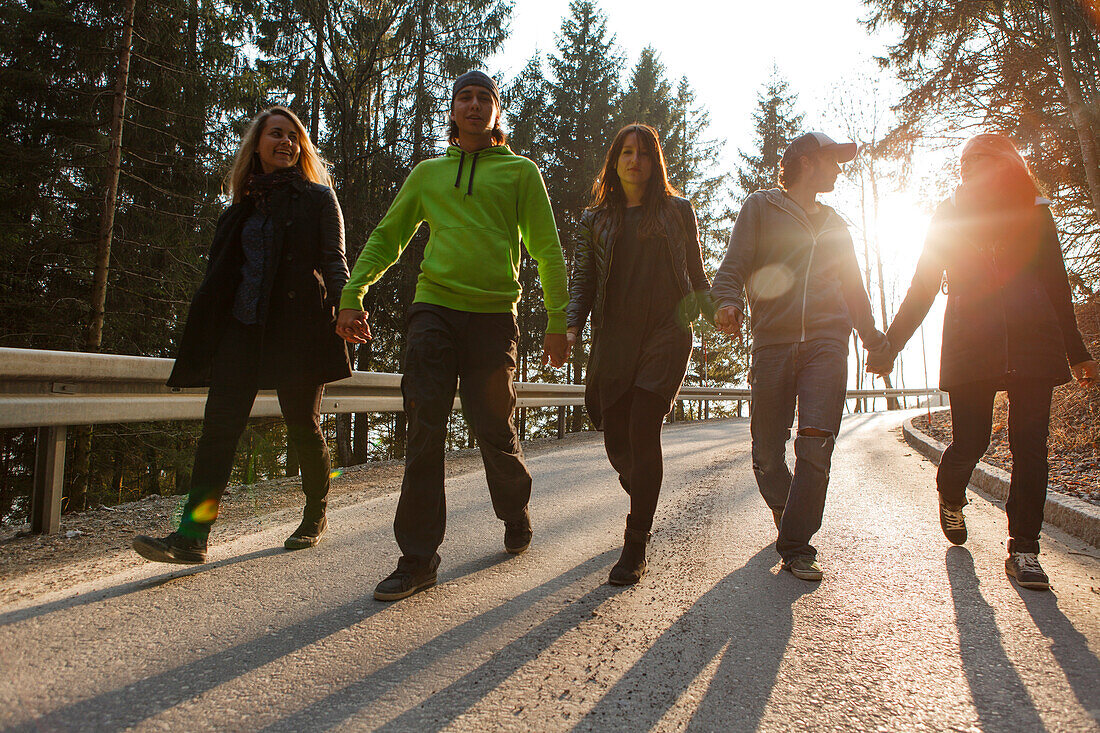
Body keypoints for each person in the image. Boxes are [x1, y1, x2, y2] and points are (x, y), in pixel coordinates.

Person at [338, 71, 569, 601]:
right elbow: (388, 236)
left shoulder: (519, 172)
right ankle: (418, 558)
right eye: (463, 97)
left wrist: (558, 319)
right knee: (424, 427)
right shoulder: (428, 173)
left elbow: (548, 250)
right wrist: (354, 294)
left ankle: (513, 506)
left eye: (483, 98)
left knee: (492, 425)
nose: (473, 104)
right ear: (452, 110)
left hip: (492, 317)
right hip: (433, 310)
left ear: (496, 113)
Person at [867, 133, 1098, 591]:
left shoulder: (1034, 210)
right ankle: (951, 490)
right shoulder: (949, 213)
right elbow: (924, 284)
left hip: (1033, 341)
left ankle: (1024, 550)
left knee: (1030, 446)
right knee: (971, 441)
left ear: (1006, 164)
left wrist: (1078, 353)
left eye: (979, 161)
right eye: (965, 163)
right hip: (973, 342)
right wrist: (892, 344)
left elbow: (1057, 284)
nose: (968, 170)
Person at [133, 106, 351, 564]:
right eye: (276, 134)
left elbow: (333, 261)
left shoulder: (317, 198)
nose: (286, 143)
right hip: (242, 331)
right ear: (257, 144)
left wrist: (347, 307)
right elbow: (221, 276)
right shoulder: (240, 208)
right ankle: (192, 536)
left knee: (303, 426)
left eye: (294, 137)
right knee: (218, 432)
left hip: (297, 331)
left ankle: (315, 514)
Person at [710, 132, 890, 581]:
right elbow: (734, 264)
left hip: (827, 343)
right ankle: (788, 512)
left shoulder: (836, 225)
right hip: (772, 342)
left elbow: (853, 289)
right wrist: (726, 301)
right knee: (767, 453)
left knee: (815, 445)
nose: (838, 169)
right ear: (807, 162)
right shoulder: (761, 208)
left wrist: (873, 339)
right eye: (832, 161)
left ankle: (796, 544)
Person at [567, 124, 712, 585]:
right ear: (614, 162)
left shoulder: (678, 211)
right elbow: (583, 282)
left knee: (643, 425)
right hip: (614, 338)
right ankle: (641, 487)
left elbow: (696, 272)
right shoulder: (595, 220)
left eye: (644, 153)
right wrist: (568, 326)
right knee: (615, 435)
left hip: (667, 331)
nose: (635, 161)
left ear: (656, 163)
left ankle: (635, 544)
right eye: (626, 153)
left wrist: (719, 309)